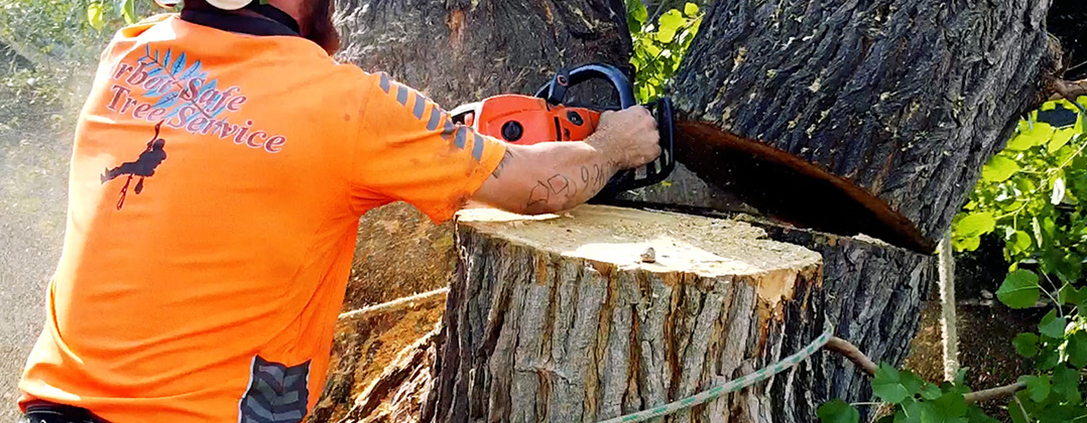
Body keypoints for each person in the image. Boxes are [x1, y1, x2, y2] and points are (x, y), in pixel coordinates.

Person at [15, 0, 661, 421]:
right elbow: (530, 187)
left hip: (48, 406)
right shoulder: (347, 105)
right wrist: (612, 144)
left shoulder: (126, 59)